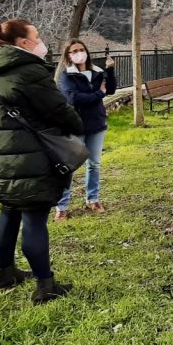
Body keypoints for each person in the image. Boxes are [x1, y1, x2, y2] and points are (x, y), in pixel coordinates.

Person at [0, 19, 84, 303]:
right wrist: (77, 123)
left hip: (2, 157)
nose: (40, 41)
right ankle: (45, 286)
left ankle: (6, 273)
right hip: (30, 157)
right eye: (36, 36)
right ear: (23, 43)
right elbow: (58, 109)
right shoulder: (27, 70)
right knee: (34, 219)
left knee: (9, 212)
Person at [54, 39, 117, 221]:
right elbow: (74, 98)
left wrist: (110, 71)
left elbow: (111, 90)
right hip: (75, 126)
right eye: (74, 51)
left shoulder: (97, 73)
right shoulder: (67, 76)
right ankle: (62, 206)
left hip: (96, 125)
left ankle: (93, 199)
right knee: (68, 166)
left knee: (94, 164)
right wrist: (99, 94)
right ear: (68, 55)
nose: (79, 53)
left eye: (82, 49)